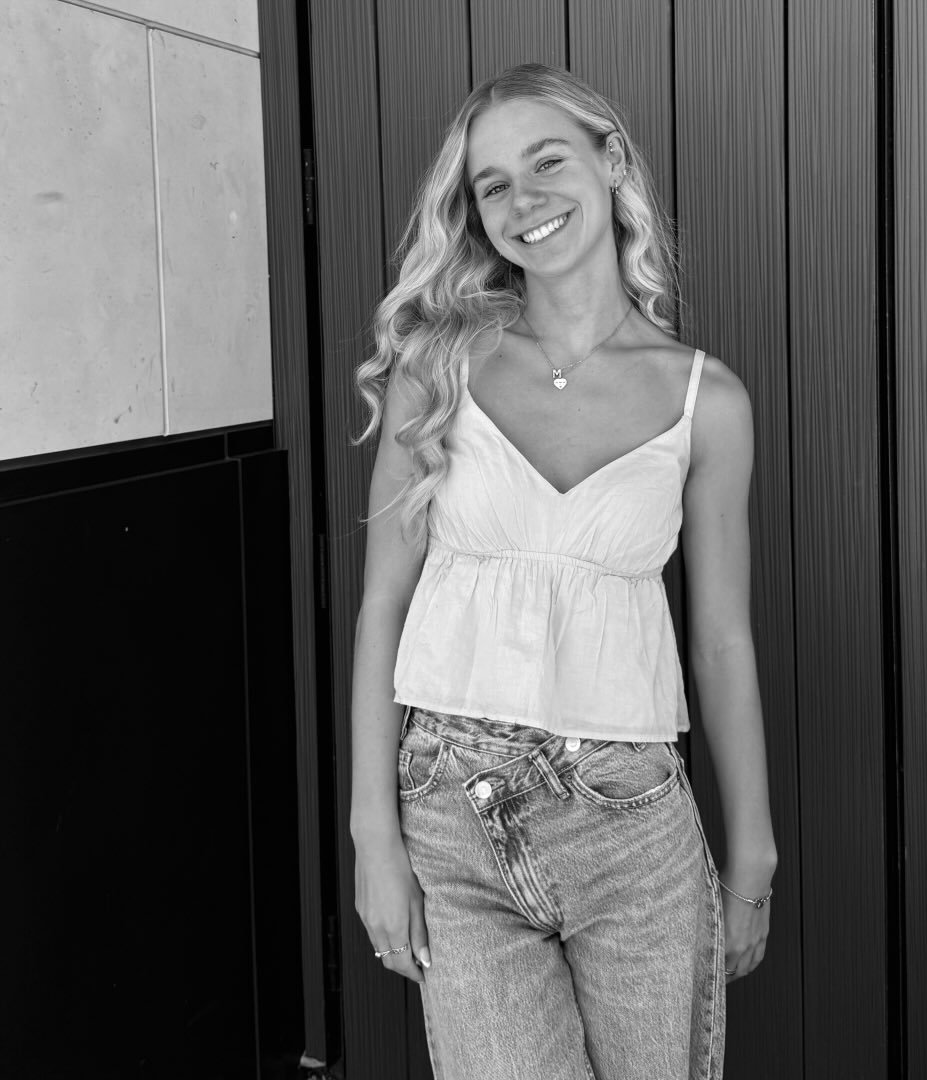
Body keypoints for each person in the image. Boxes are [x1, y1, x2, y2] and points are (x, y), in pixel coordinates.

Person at [348, 62, 776, 1080]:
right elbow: (381, 604)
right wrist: (373, 837)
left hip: (632, 823)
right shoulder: (436, 367)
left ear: (610, 160)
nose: (524, 201)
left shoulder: (707, 402)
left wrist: (753, 852)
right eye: (493, 184)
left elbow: (723, 641)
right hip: (450, 813)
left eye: (548, 163)